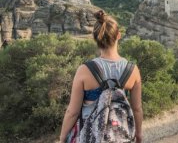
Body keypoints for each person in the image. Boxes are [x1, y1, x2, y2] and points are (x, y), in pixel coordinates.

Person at [59, 10, 143, 143]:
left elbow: (72, 112)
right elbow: (137, 109)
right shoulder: (133, 70)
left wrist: (63, 137)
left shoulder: (84, 70)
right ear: (119, 36)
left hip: (89, 136)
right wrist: (138, 135)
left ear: (95, 38)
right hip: (120, 136)